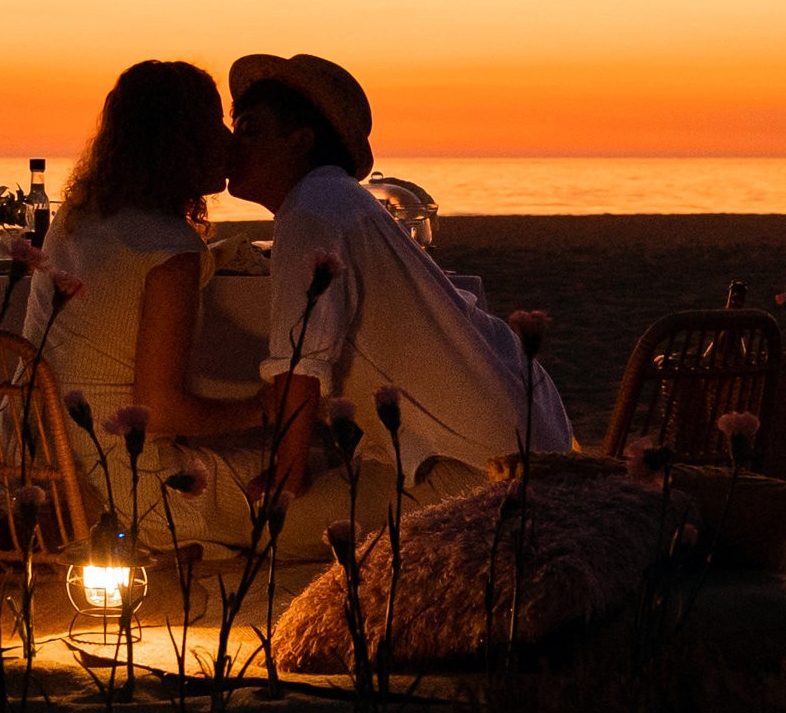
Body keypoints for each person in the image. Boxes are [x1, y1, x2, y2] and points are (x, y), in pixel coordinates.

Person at [225, 53, 574, 503]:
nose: (233, 147)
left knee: (238, 505)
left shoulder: (311, 211)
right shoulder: (336, 198)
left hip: (481, 475)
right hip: (524, 449)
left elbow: (300, 365)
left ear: (300, 140)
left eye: (249, 131)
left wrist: (287, 476)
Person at [23, 61, 271, 550]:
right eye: (211, 124)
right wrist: (268, 409)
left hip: (51, 465)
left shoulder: (77, 218)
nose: (225, 140)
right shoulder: (169, 249)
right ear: (178, 142)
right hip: (136, 492)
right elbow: (160, 413)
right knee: (336, 475)